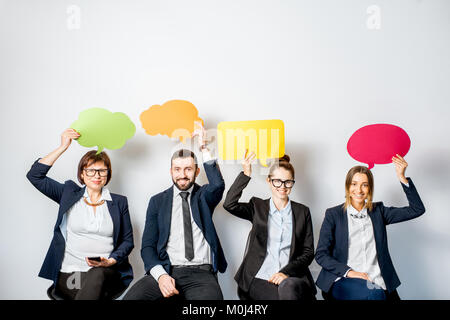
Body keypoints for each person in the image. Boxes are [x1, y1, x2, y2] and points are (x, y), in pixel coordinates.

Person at [26, 128, 134, 300]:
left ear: (108, 174)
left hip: (107, 274)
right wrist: (63, 147)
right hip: (71, 274)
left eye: (102, 171)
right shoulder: (68, 193)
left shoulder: (119, 202)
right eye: (91, 170)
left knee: (97, 275)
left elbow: (127, 242)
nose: (96, 175)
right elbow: (35, 175)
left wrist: (111, 261)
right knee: (88, 292)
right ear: (82, 174)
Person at [123, 125, 226, 300]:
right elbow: (148, 247)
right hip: (167, 270)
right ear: (171, 171)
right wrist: (160, 275)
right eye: (177, 169)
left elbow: (218, 184)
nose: (182, 175)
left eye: (188, 169)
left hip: (201, 274)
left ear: (197, 171)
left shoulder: (204, 196)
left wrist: (203, 146)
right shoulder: (157, 201)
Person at [315, 155, 426, 300]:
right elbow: (321, 255)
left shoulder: (378, 212)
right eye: (354, 184)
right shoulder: (334, 215)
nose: (359, 190)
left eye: (364, 185)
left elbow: (417, 209)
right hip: (343, 279)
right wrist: (349, 272)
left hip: (378, 279)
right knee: (375, 294)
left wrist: (402, 177)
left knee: (377, 292)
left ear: (370, 188)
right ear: (348, 186)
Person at [223, 151, 317, 300]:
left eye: (288, 182)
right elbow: (229, 204)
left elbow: (308, 252)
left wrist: (286, 272)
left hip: (291, 277)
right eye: (277, 181)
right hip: (260, 276)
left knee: (289, 289)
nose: (283, 186)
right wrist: (246, 173)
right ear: (269, 181)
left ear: (293, 182)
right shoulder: (257, 206)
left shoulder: (302, 212)